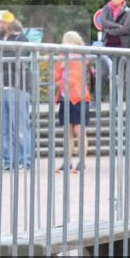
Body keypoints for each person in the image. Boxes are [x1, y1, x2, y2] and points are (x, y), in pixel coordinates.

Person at [0, 12, 33, 170]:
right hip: (2, 88)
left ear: (7, 24)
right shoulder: (0, 40)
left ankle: (25, 161)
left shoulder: (22, 39)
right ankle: (8, 161)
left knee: (20, 127)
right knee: (4, 128)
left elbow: (16, 56)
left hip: (19, 88)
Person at [54, 32, 91, 173]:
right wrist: (61, 68)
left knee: (79, 131)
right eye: (64, 41)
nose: (64, 44)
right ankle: (67, 162)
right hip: (65, 98)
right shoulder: (63, 57)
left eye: (67, 41)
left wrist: (61, 80)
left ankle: (82, 163)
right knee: (68, 132)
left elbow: (72, 79)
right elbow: (55, 76)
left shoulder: (80, 57)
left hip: (78, 98)